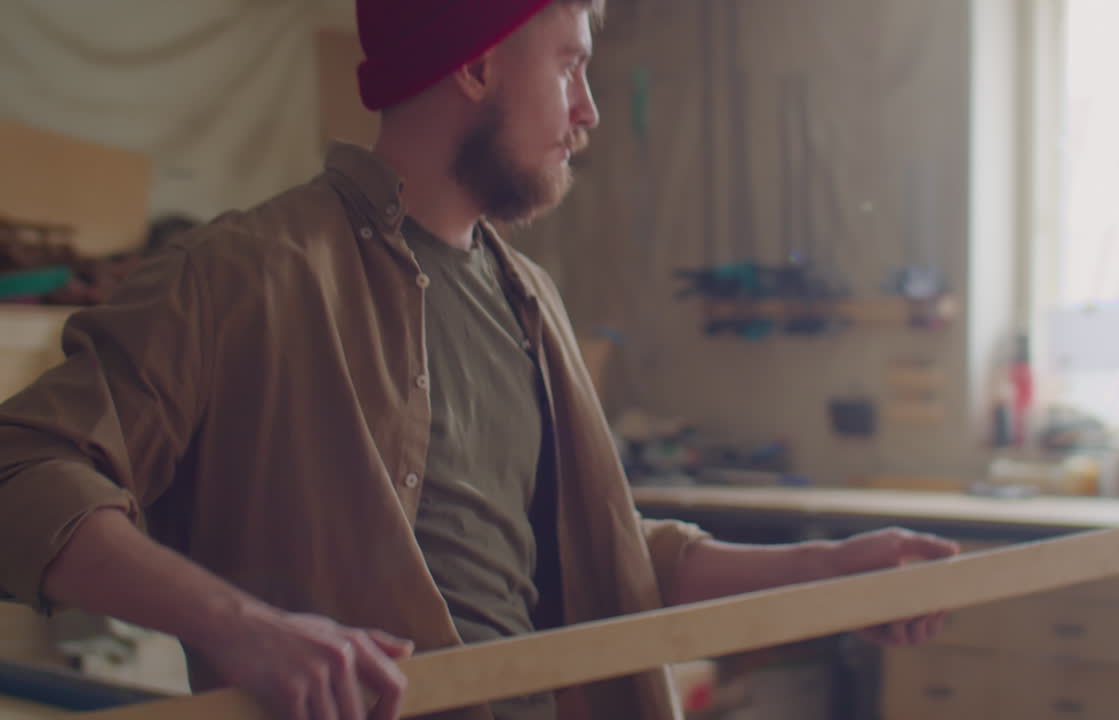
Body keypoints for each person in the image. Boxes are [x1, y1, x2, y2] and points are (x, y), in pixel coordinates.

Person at [0, 1, 959, 719]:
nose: (586, 112)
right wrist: (242, 629)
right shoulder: (246, 274)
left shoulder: (528, 300)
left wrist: (833, 570)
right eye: (571, 66)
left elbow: (608, 562)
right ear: (477, 64)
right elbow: (23, 473)